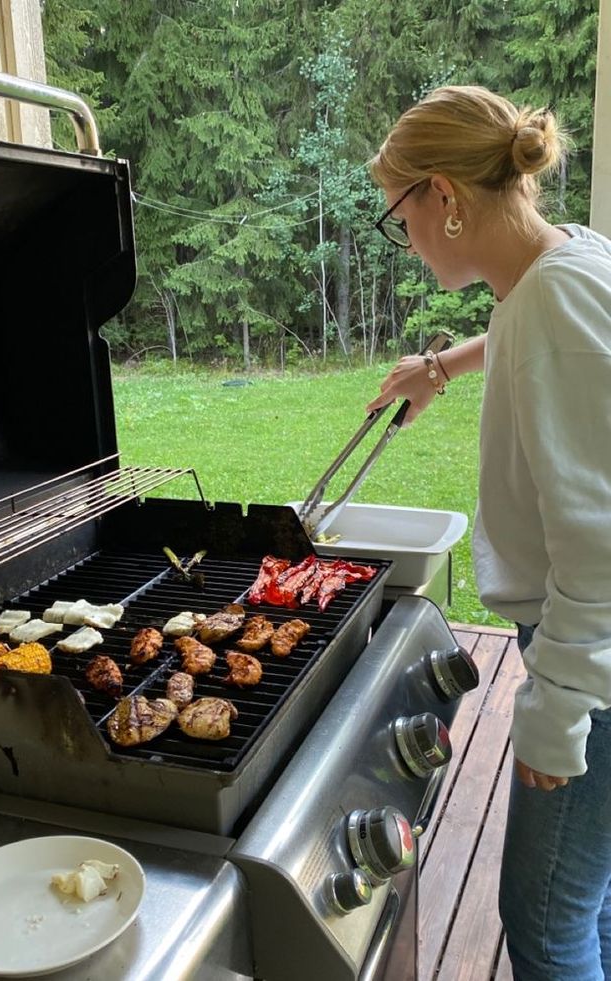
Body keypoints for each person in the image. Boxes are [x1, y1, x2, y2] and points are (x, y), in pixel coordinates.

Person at [366, 85, 611, 981]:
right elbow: (521, 324)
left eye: (402, 215)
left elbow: (601, 546)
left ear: (446, 197)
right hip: (591, 656)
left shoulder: (555, 304)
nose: (409, 237)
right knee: (589, 900)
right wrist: (439, 364)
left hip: (593, 663)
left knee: (543, 923)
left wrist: (554, 711)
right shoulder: (567, 259)